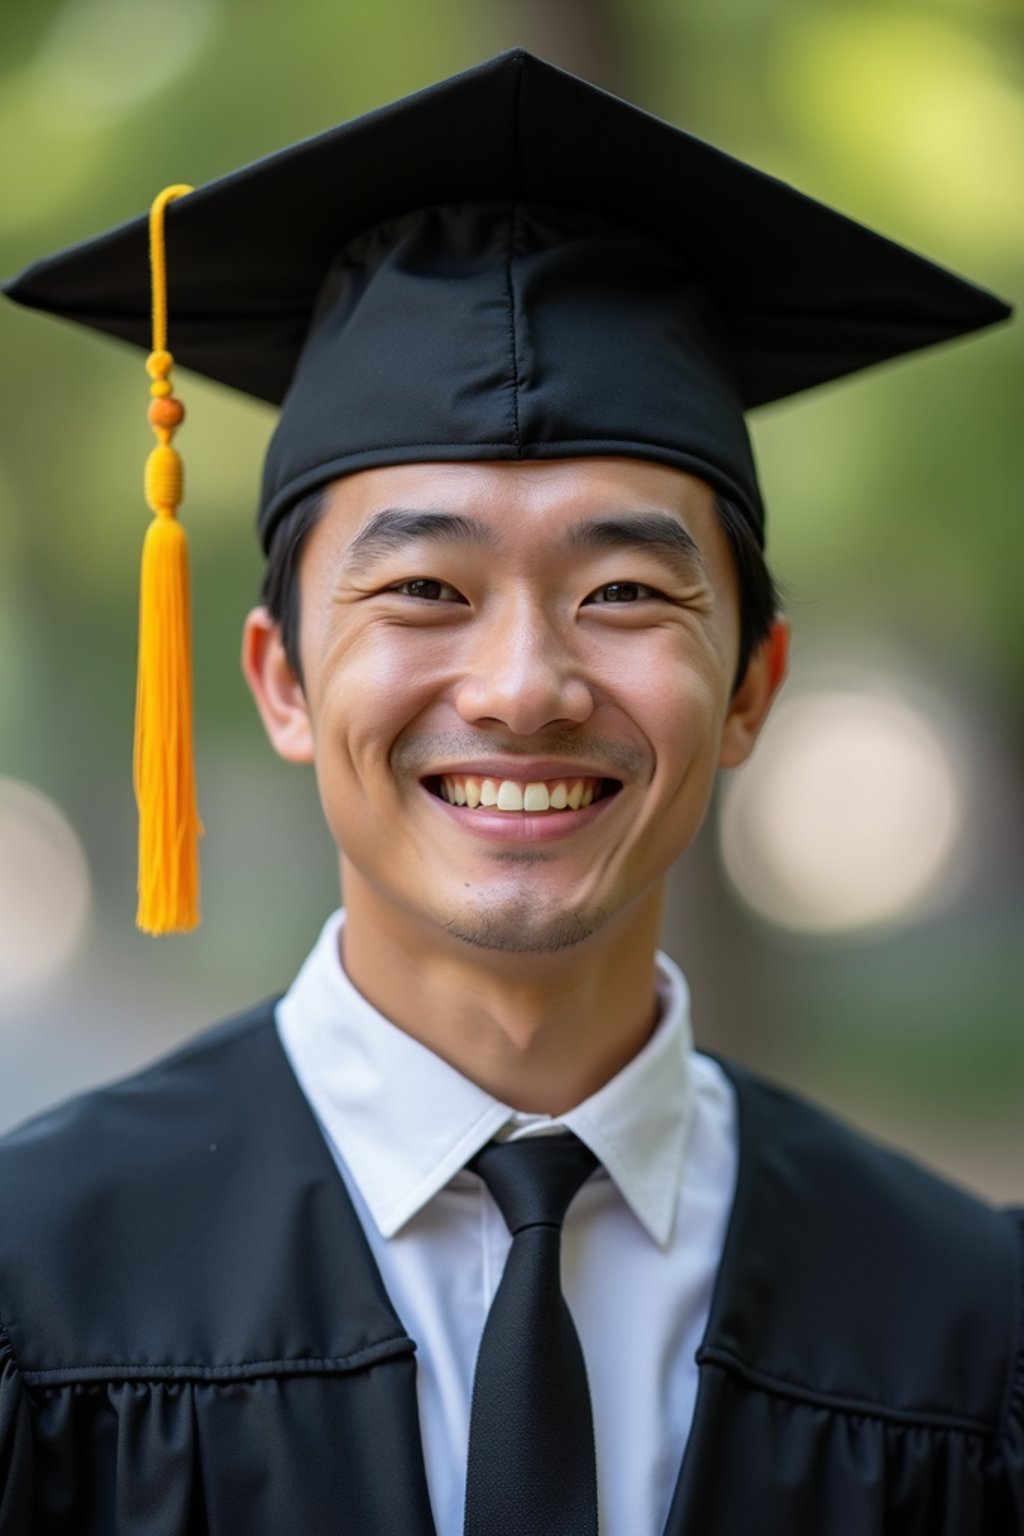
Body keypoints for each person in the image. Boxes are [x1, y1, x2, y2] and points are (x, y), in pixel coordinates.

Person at [0, 48, 1020, 1536]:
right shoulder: (33, 1291)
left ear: (752, 687)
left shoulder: (967, 1331)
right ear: (282, 681)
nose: (523, 686)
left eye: (621, 589)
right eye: (424, 585)